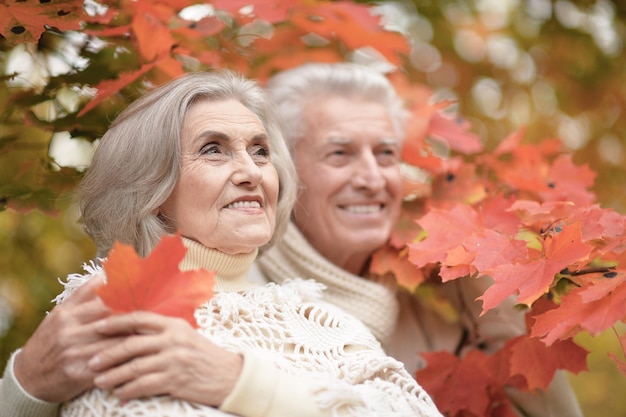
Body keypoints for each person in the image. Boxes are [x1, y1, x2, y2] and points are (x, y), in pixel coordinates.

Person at [0, 70, 443, 417]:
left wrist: (240, 382)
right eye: (213, 149)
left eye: (261, 150)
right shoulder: (106, 304)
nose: (251, 170)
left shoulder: (324, 321)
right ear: (152, 188)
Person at [252, 62, 585, 417]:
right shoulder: (238, 298)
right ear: (282, 168)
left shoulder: (441, 316)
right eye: (340, 154)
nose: (373, 178)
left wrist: (483, 275)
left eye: (385, 154)